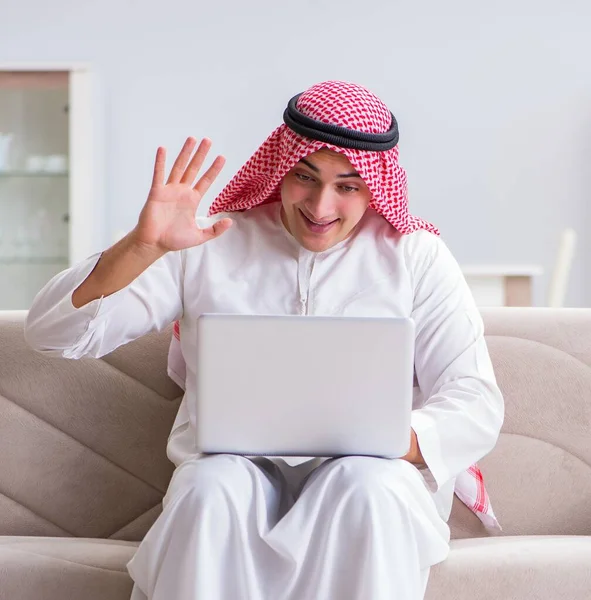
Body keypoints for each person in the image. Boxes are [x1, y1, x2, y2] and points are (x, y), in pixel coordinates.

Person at [24, 80, 504, 600]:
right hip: (229, 475)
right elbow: (53, 334)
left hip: (371, 479)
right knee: (209, 490)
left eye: (347, 186)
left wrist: (394, 440)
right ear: (282, 166)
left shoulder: (416, 257)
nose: (321, 206)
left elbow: (473, 399)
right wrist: (142, 247)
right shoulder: (210, 242)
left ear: (375, 184)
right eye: (306, 178)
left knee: (368, 487)